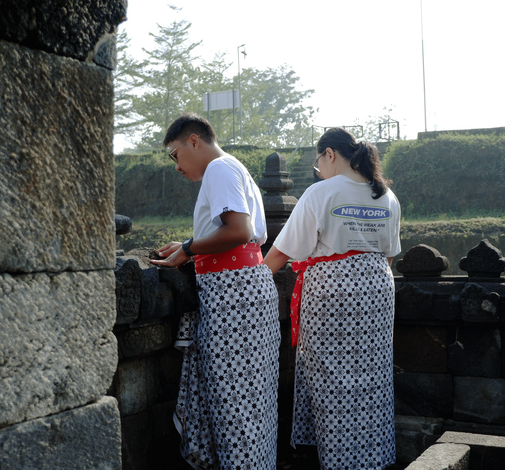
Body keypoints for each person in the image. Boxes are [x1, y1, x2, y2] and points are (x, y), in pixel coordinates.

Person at [263, 127, 401, 469]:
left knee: (333, 379)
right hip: (378, 291)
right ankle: (374, 458)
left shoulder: (321, 192)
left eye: (318, 161)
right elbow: (389, 256)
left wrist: (247, 284)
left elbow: (281, 253)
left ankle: (338, 459)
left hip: (332, 290)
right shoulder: (386, 196)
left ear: (329, 154)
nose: (317, 170)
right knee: (373, 378)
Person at [150, 113, 280, 470]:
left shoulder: (219, 170)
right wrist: (191, 244)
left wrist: (190, 249)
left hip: (232, 292)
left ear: (193, 141)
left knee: (234, 402)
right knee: (252, 400)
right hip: (247, 286)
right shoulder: (233, 167)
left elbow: (238, 229)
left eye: (175, 154)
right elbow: (241, 232)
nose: (176, 166)